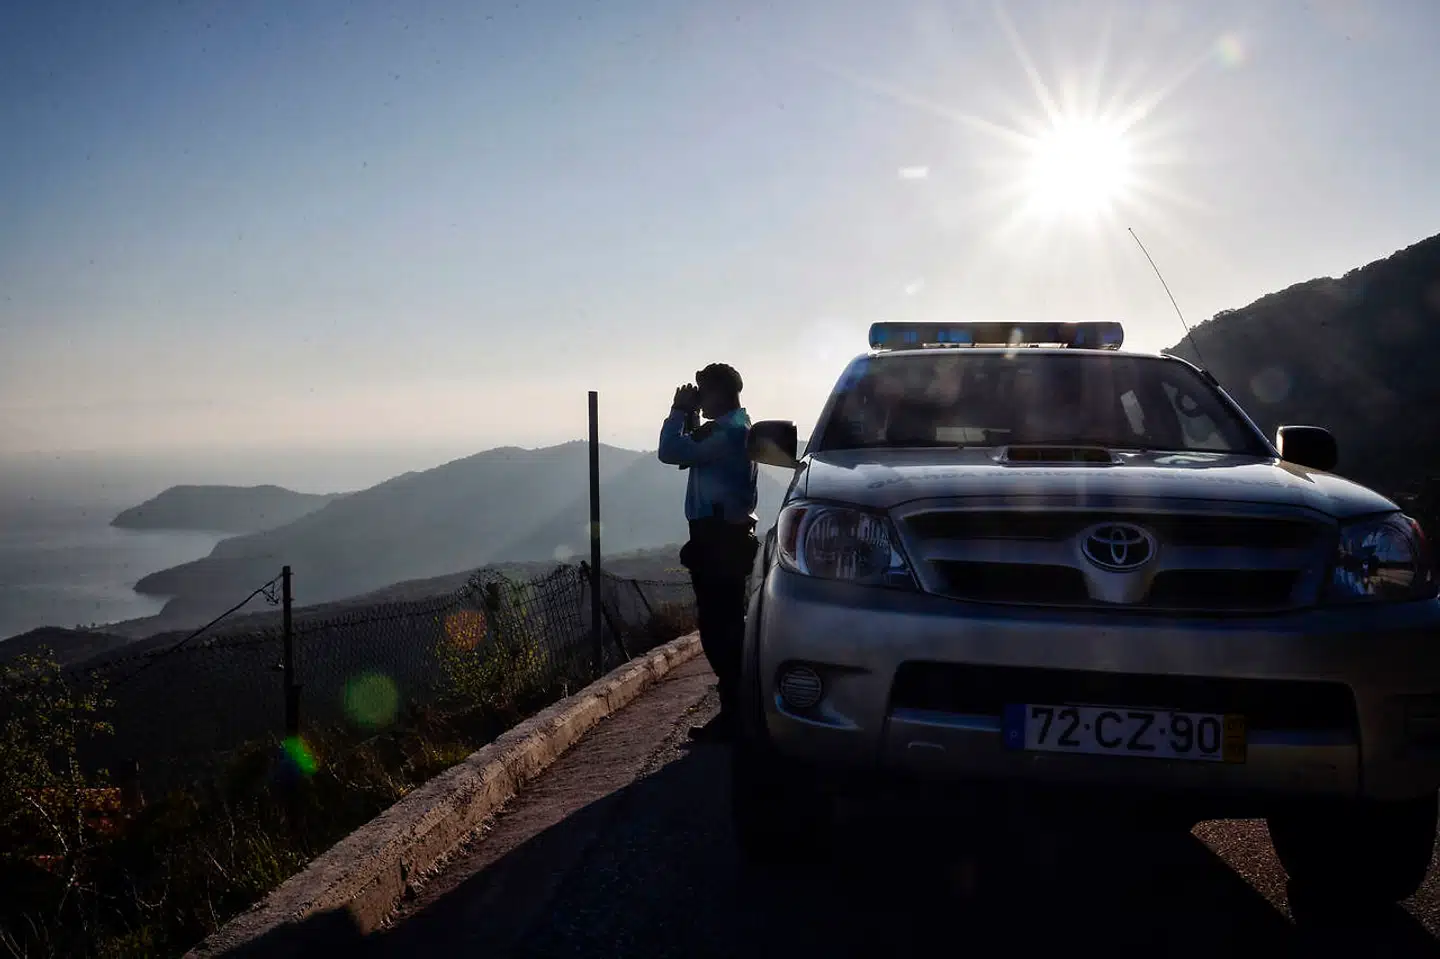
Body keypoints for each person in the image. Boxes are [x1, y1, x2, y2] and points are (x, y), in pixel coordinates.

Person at [657, 362, 759, 742]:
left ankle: (736, 714)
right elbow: (686, 454)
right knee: (725, 624)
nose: (700, 398)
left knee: (721, 630)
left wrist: (680, 411)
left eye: (704, 391)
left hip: (718, 540)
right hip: (721, 538)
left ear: (719, 392)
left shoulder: (728, 433)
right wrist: (693, 417)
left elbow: (669, 451)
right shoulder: (732, 430)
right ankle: (737, 710)